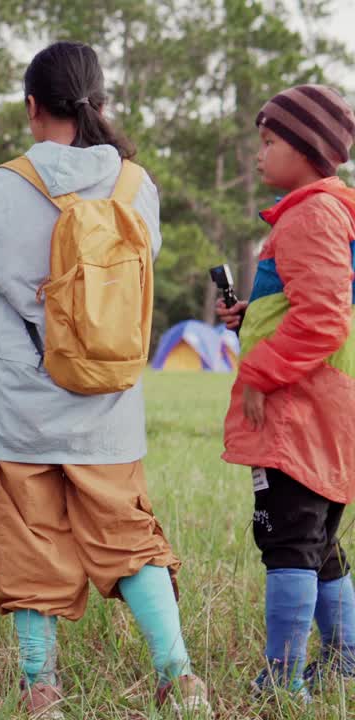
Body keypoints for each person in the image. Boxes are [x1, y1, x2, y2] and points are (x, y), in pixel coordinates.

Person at [0, 41, 208, 717]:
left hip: (20, 411)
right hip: (108, 406)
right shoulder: (137, 188)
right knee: (130, 540)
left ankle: (42, 691)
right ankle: (180, 678)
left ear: (32, 108)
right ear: (99, 103)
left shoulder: (3, 188)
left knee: (27, 544)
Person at [216, 83, 355, 701]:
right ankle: (346, 661)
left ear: (305, 148)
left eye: (269, 143)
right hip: (328, 414)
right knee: (320, 546)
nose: (259, 155)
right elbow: (312, 303)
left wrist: (259, 368)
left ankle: (282, 680)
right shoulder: (329, 213)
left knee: (289, 545)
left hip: (299, 416)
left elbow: (325, 317)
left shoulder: (310, 215)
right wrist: (257, 314)